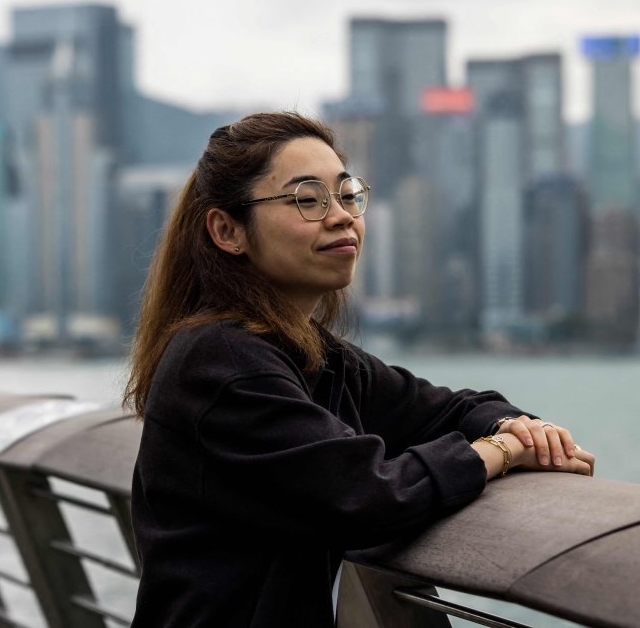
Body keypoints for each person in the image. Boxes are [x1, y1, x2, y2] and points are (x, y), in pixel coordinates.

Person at [125, 112, 595, 628]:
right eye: (307, 199)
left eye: (348, 195)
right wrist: (501, 452)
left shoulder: (314, 356)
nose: (341, 216)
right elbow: (364, 496)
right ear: (227, 230)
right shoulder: (220, 362)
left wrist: (517, 427)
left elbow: (445, 409)